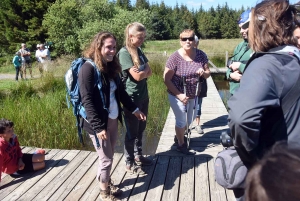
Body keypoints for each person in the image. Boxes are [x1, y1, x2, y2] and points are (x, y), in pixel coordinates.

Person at [228, 1, 300, 200]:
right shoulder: (295, 59)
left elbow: (241, 119)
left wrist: (254, 160)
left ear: (261, 27)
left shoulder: (266, 65)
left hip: (276, 175)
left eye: (250, 26)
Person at [78, 31, 146, 201]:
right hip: (97, 123)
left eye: (114, 47)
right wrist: (98, 126)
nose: (112, 51)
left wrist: (134, 109)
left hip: (113, 118)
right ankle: (104, 193)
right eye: (108, 47)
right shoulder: (87, 69)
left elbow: (121, 93)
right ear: (98, 47)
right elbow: (87, 100)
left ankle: (106, 181)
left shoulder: (111, 67)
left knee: (107, 155)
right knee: (107, 159)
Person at [163, 29, 210, 155]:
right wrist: (179, 95)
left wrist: (203, 73)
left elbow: (208, 73)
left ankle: (179, 135)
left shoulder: (200, 54)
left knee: (190, 120)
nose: (188, 41)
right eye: (184, 39)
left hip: (193, 94)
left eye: (190, 38)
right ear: (180, 41)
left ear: (194, 39)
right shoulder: (174, 58)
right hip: (177, 94)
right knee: (181, 121)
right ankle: (181, 144)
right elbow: (166, 79)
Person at [118, 22, 153, 173]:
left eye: (143, 37)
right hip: (132, 99)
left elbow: (149, 72)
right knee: (132, 131)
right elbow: (137, 77)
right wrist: (143, 71)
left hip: (144, 96)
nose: (142, 40)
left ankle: (139, 156)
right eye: (139, 37)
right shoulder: (124, 53)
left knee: (141, 129)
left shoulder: (138, 50)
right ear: (131, 36)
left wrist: (142, 71)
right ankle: (129, 160)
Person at [225, 10, 253, 95]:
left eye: (244, 27)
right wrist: (230, 75)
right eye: (240, 28)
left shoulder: (260, 46)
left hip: (249, 95)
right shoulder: (240, 46)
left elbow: (261, 72)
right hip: (234, 95)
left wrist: (240, 66)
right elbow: (229, 68)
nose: (241, 31)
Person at [194, 35, 210, 134]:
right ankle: (185, 127)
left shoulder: (202, 55)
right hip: (186, 86)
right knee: (186, 107)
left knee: (198, 105)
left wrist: (203, 73)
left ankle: (197, 124)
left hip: (200, 85)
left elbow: (208, 72)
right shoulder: (182, 55)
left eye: (195, 42)